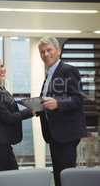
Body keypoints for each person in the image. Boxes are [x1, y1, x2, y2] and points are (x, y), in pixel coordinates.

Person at [38, 37, 87, 186]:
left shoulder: (69, 70)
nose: (45, 54)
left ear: (58, 51)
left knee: (66, 177)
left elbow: (78, 99)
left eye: (49, 50)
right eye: (42, 52)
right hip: (54, 134)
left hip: (66, 134)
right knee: (59, 176)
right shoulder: (49, 75)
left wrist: (58, 103)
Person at [0, 57, 34, 172]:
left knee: (11, 176)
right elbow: (7, 117)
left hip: (2, 141)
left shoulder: (0, 88)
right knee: (2, 180)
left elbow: (9, 110)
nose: (1, 70)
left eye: (1, 66)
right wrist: (30, 111)